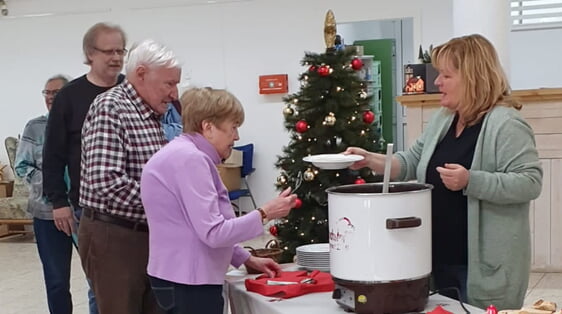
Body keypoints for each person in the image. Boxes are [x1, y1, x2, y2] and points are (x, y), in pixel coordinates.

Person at [345, 34, 542, 310]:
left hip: (483, 268)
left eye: (446, 76)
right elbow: (412, 160)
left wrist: (471, 181)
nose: (436, 82)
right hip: (438, 258)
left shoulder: (506, 123)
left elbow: (530, 183)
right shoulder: (444, 118)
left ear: (472, 77)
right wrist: (370, 160)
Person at [140, 87, 297, 314]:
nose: (237, 137)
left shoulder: (183, 153)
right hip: (189, 284)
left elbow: (196, 227)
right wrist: (265, 213)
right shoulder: (190, 160)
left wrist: (246, 258)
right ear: (208, 127)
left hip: (179, 279)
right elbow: (213, 233)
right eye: (233, 127)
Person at [78, 38, 181, 314]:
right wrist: (168, 200)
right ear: (141, 74)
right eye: (169, 83)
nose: (174, 93)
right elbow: (106, 181)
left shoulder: (155, 113)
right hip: (116, 237)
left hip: (152, 235)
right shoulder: (110, 108)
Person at [42, 22, 127, 314]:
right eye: (108, 51)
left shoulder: (132, 90)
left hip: (133, 206)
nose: (116, 57)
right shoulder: (69, 96)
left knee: (131, 283)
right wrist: (58, 202)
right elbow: (52, 154)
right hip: (87, 208)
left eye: (120, 50)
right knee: (100, 284)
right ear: (90, 53)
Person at [14, 75, 72, 314]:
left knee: (96, 279)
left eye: (56, 93)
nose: (50, 98)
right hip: (47, 214)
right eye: (46, 93)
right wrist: (50, 183)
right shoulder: (35, 127)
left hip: (83, 211)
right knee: (57, 280)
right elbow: (21, 166)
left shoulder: (82, 124)